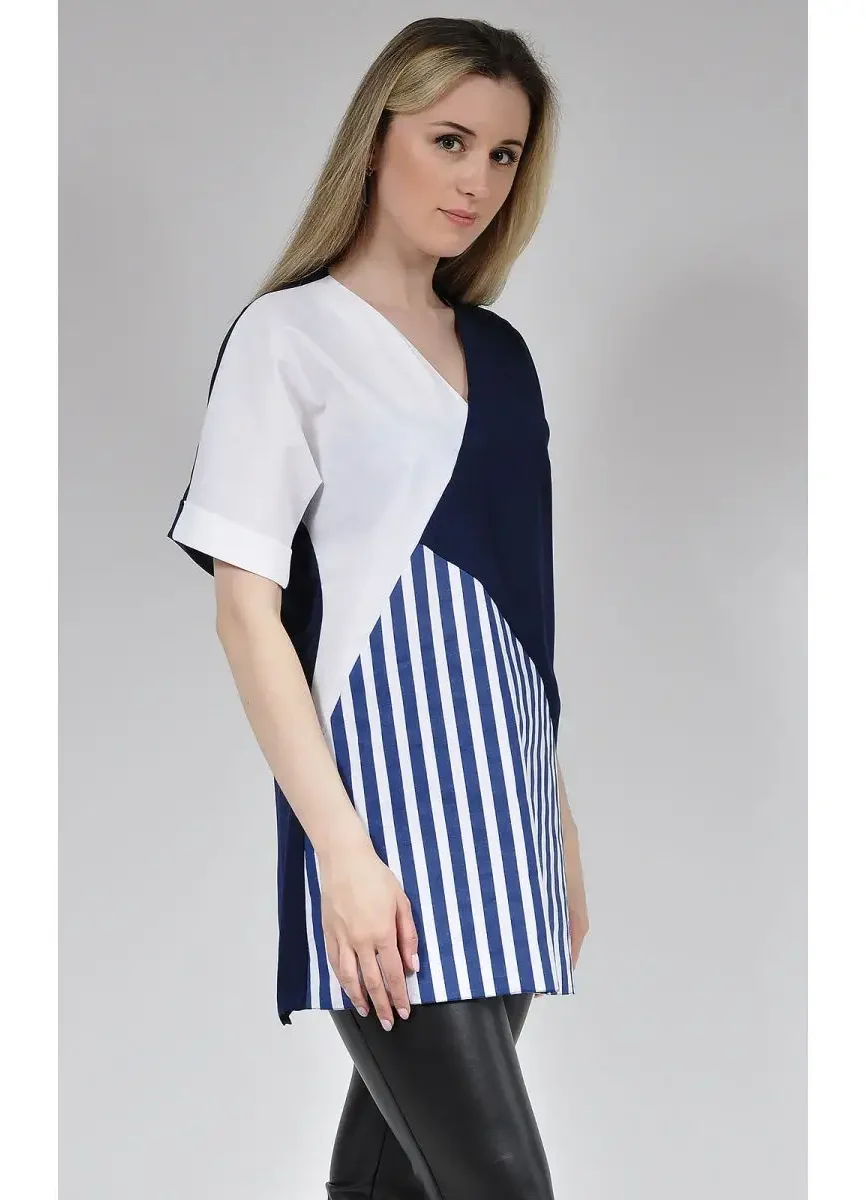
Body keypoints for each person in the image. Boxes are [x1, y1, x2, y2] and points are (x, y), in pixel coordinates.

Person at [167, 15, 589, 1199]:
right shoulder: (287, 338)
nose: (475, 181)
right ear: (375, 137)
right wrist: (341, 855)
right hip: (386, 829)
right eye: (449, 140)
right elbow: (245, 616)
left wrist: (554, 821)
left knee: (393, 1184)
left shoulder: (501, 356)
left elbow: (517, 604)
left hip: (505, 819)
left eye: (502, 155)